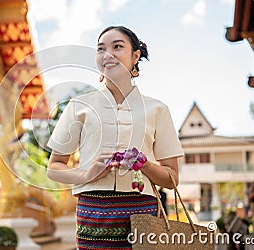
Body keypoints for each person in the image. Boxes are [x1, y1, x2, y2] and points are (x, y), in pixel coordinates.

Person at [47, 26, 184, 249]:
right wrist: (87, 173)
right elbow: (53, 167)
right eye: (100, 49)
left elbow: (172, 179)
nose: (107, 54)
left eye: (117, 47)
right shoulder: (78, 106)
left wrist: (145, 164)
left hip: (144, 215)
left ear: (135, 56)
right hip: (93, 215)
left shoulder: (158, 109)